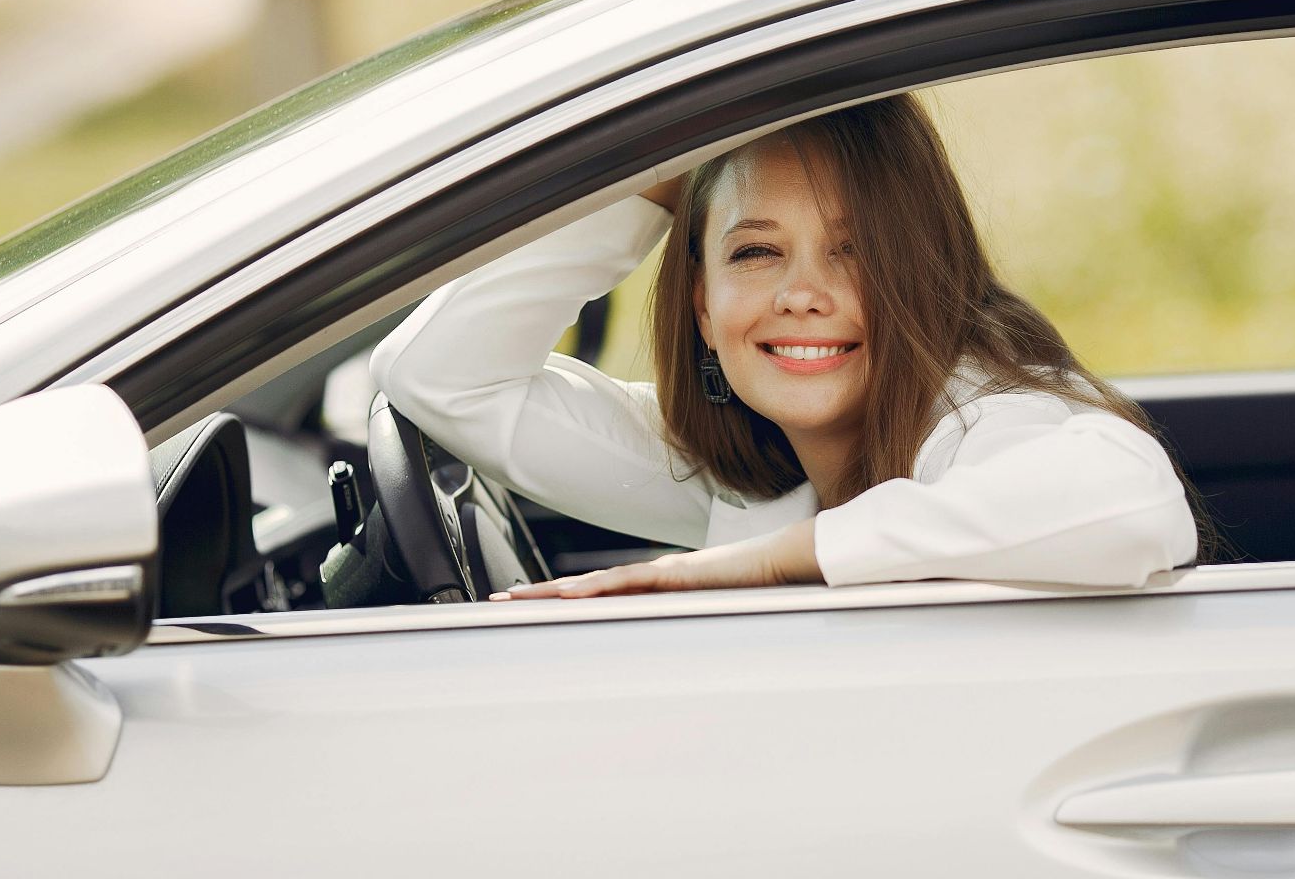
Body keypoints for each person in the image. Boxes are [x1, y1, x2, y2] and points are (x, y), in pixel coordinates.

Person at [370, 93, 1205, 600]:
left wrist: (749, 571)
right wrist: (659, 179)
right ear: (703, 305)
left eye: (857, 250)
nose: (803, 293)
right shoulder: (745, 468)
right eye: (757, 252)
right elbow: (438, 377)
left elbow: (1128, 502)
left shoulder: (982, 409)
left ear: (923, 271)